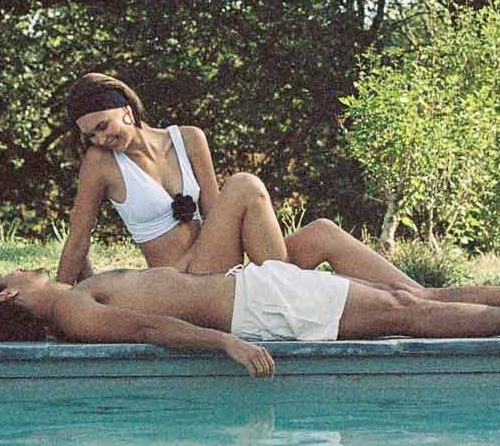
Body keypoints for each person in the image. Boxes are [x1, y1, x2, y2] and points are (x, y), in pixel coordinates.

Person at [0, 237, 500, 377]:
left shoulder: (73, 294)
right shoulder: (71, 312)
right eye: (6, 274)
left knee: (406, 299)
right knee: (406, 312)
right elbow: (151, 325)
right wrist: (226, 344)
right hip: (263, 311)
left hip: (260, 293)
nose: (15, 266)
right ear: (9, 293)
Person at [56, 72, 452, 294]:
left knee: (322, 233)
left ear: (127, 110)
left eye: (103, 126)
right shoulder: (101, 164)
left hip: (219, 263)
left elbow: (215, 214)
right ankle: (293, 292)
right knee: (244, 184)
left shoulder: (188, 138)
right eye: (91, 134)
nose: (101, 138)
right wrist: (62, 297)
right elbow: (78, 240)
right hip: (184, 280)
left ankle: (421, 295)